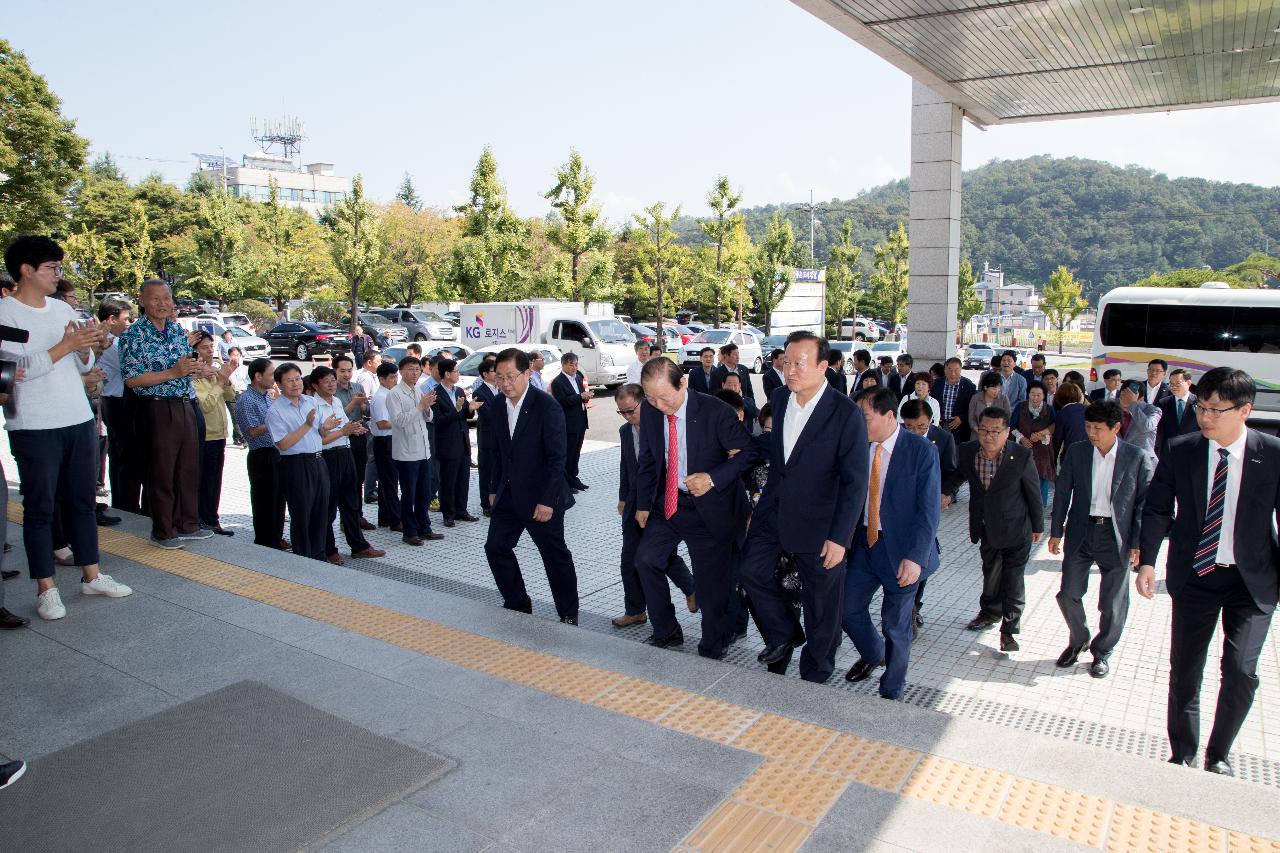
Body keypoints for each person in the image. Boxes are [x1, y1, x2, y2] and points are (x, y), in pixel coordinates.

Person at [1137, 367, 1280, 777]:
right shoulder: (1181, 450)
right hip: (1195, 577)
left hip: (1251, 582)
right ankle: (1182, 751)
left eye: (1217, 410)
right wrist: (1148, 560)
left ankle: (1219, 753)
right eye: (1202, 407)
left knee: (1240, 671)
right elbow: (1158, 508)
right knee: (1185, 669)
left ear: (1245, 410)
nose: (1206, 417)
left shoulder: (1272, 454)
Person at [0, 237, 132, 621]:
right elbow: (17, 372)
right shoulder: (6, 313)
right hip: (34, 423)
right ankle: (46, 587)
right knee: (40, 509)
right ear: (26, 269)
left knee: (82, 503)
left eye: (60, 267)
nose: (59, 275)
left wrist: (84, 347)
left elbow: (80, 361)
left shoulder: (60, 310)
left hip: (77, 417)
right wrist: (66, 344)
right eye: (52, 268)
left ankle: (92, 574)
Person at [742, 332, 868, 682]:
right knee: (751, 571)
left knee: (822, 606)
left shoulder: (845, 414)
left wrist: (840, 538)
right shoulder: (781, 399)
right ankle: (785, 633)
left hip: (822, 524)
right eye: (786, 361)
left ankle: (816, 671)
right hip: (775, 513)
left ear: (823, 367)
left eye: (800, 363)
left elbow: (855, 482)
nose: (790, 370)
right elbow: (780, 461)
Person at [634, 358, 757, 656]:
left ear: (683, 383)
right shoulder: (651, 411)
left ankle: (713, 646)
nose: (659, 404)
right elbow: (650, 459)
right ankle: (667, 630)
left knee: (710, 584)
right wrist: (642, 504)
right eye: (650, 397)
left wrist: (713, 478)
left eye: (665, 396)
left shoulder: (716, 411)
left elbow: (749, 453)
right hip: (670, 502)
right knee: (646, 559)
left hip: (709, 508)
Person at [841, 386, 940, 698]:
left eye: (866, 417)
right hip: (864, 545)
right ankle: (874, 654)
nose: (860, 424)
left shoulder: (920, 451)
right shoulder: (858, 447)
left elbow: (928, 510)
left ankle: (892, 689)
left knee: (895, 625)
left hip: (902, 551)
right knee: (846, 609)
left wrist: (916, 557)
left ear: (889, 415)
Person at [1050, 400, 1153, 678]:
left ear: (1116, 428)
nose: (1091, 433)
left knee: (1112, 601)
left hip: (1115, 535)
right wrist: (1056, 530)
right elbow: (1062, 492)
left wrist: (1138, 543)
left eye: (1097, 428)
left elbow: (1145, 503)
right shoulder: (1077, 452)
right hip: (1081, 531)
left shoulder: (1136, 457)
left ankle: (1103, 651)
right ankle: (1079, 638)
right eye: (1088, 427)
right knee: (1068, 592)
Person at [484, 347, 580, 623]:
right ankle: (517, 602)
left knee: (554, 556)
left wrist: (548, 500)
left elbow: (557, 457)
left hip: (542, 497)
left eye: (511, 376)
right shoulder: (498, 406)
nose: (505, 383)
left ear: (527, 372)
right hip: (508, 494)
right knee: (496, 547)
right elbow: (498, 452)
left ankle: (568, 613)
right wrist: (492, 488)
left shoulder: (546, 406)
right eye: (499, 377)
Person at [118, 279, 214, 548]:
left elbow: (186, 365)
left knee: (188, 466)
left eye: (166, 298)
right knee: (161, 470)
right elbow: (132, 379)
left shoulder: (175, 330)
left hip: (184, 402)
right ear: (142, 301)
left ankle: (188, 523)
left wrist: (196, 368)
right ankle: (163, 530)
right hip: (156, 406)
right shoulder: (133, 336)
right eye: (155, 299)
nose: (162, 304)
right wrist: (173, 373)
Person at [946, 405, 1043, 652]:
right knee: (991, 573)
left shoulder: (1021, 456)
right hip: (987, 526)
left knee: (1013, 579)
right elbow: (959, 475)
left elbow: (1033, 492)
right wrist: (946, 492)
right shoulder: (968, 452)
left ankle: (1009, 631)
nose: (989, 436)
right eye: (984, 430)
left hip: (1016, 528)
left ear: (1007, 432)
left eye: (996, 431)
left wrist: (1038, 526)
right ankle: (989, 612)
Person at [613, 383, 696, 628]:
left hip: (659, 503)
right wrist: (623, 496)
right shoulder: (625, 431)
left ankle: (691, 588)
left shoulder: (663, 425)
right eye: (622, 412)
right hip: (634, 504)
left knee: (658, 555)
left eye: (631, 410)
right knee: (629, 558)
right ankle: (635, 610)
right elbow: (626, 465)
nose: (628, 417)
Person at [312, 366, 384, 563]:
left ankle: (359, 546)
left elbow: (344, 427)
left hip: (345, 453)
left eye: (332, 381)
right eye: (326, 381)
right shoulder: (313, 406)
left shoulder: (335, 401)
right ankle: (329, 549)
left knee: (351, 504)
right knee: (328, 507)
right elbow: (320, 439)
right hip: (327, 456)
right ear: (315, 385)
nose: (331, 384)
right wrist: (344, 432)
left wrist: (354, 429)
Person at [901, 399, 956, 634]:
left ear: (930, 422)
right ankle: (905, 607)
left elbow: (953, 471)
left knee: (921, 557)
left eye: (921, 427)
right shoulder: (895, 440)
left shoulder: (942, 439)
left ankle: (914, 606)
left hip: (927, 510)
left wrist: (947, 493)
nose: (916, 432)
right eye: (910, 427)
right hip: (901, 511)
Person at [266, 363, 332, 561]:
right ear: (278, 384)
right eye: (289, 380)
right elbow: (284, 444)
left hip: (318, 460)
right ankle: (303, 558)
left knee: (322, 512)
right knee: (302, 514)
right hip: (295, 465)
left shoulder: (310, 402)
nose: (295, 384)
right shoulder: (275, 411)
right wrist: (307, 425)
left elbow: (318, 432)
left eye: (297, 378)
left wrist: (325, 428)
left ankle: (319, 555)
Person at [385, 356, 442, 546]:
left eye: (417, 369)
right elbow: (399, 421)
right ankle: (409, 531)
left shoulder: (417, 389)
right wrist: (420, 407)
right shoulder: (394, 394)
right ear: (401, 371)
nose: (414, 373)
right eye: (410, 369)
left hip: (423, 449)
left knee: (424, 492)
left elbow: (428, 417)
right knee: (409, 493)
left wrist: (426, 409)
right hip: (406, 452)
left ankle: (424, 527)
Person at [234, 358, 288, 550]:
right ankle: (266, 539)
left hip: (275, 451)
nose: (274, 378)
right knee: (264, 499)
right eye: (270, 374)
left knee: (278, 498)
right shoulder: (246, 400)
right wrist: (277, 421)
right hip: (261, 454)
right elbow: (251, 431)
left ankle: (276, 536)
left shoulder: (266, 395)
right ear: (257, 376)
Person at [96, 297, 142, 512]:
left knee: (121, 454)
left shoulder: (114, 341)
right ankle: (126, 504)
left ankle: (125, 502)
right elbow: (133, 369)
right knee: (125, 455)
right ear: (111, 319)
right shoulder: (109, 344)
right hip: (117, 402)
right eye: (125, 319)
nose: (128, 323)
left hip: (119, 401)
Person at [192, 332, 237, 536]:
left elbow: (230, 396)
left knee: (215, 480)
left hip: (220, 435)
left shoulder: (214, 372)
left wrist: (224, 379)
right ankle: (201, 519)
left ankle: (212, 519)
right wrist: (219, 383)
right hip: (205, 437)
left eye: (211, 347)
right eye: (204, 348)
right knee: (204, 481)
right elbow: (206, 405)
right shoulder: (193, 377)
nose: (210, 351)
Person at [432, 357, 482, 526]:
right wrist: (457, 409)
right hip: (447, 442)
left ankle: (461, 510)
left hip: (462, 440)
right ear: (446, 374)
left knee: (463, 477)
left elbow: (464, 416)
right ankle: (448, 513)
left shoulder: (459, 391)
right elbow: (439, 420)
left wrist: (469, 409)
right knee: (448, 479)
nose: (458, 374)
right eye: (455, 371)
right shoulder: (435, 394)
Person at [332, 354, 374, 530]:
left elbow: (367, 411)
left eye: (349, 370)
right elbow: (338, 415)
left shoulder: (357, 386)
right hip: (341, 438)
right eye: (342, 371)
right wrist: (353, 403)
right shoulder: (331, 390)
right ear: (335, 371)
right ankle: (345, 519)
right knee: (345, 481)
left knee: (358, 479)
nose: (346, 374)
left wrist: (363, 406)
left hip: (359, 436)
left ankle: (358, 515)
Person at [369, 362, 402, 531]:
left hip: (391, 441)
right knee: (389, 481)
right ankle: (395, 520)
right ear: (381, 379)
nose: (395, 380)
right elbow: (382, 424)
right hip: (385, 441)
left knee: (386, 481)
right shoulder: (381, 397)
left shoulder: (389, 394)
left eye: (396, 376)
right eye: (392, 378)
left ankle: (385, 517)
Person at [551, 352, 591, 492]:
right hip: (568, 423)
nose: (574, 367)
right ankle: (565, 482)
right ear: (563, 365)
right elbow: (562, 402)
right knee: (567, 453)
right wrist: (580, 396)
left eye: (575, 364)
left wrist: (586, 397)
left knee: (576, 452)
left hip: (580, 420)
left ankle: (574, 478)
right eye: (571, 365)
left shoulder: (578, 377)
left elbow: (580, 397)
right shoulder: (558, 382)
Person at [1012, 381, 1056, 507]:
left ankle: (1040, 508)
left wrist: (1041, 435)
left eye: (1038, 395)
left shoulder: (1049, 409)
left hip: (1043, 452)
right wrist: (1022, 439)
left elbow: (1055, 428)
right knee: (1022, 478)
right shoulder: (1020, 407)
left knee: (1042, 478)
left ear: (1043, 396)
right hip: (1023, 450)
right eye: (1032, 394)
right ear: (1028, 394)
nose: (1035, 397)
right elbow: (1012, 426)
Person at [472, 356, 500, 517]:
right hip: (488, 438)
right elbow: (488, 415)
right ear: (485, 374)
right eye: (493, 371)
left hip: (501, 437)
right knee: (487, 472)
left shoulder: (501, 389)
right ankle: (486, 504)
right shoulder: (479, 392)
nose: (496, 374)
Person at [931, 357, 976, 444]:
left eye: (956, 370)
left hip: (959, 427)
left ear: (961, 370)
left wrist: (962, 418)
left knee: (956, 453)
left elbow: (973, 407)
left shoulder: (968, 386)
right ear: (945, 370)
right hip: (940, 425)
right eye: (950, 369)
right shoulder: (936, 384)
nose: (953, 373)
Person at [1156, 368, 1199, 456]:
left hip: (1193, 451)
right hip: (1168, 452)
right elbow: (1159, 430)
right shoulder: (1163, 403)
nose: (1173, 387)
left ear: (1188, 383)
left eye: (1178, 383)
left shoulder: (1200, 403)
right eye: (1171, 384)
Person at [1117, 379, 1162, 463]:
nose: (1124, 401)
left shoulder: (1153, 410)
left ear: (1141, 399)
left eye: (1129, 398)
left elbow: (1146, 426)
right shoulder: (1113, 406)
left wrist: (1132, 404)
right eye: (1123, 396)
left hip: (1142, 462)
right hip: (1118, 460)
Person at [1052, 381, 1088, 464]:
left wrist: (1053, 462)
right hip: (1089, 454)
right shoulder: (1088, 409)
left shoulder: (1062, 414)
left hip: (1070, 456)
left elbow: (1057, 440)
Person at [968, 371, 1010, 436]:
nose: (997, 391)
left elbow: (1007, 419)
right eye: (994, 388)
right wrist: (978, 429)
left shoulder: (1003, 399)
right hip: (977, 434)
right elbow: (971, 418)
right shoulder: (975, 398)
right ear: (985, 387)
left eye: (998, 388)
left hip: (997, 436)